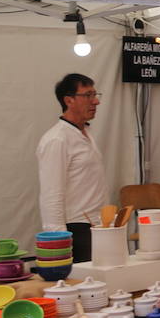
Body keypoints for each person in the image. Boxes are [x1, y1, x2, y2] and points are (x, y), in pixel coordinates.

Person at [37, 73, 108, 263]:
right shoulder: (57, 139)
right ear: (69, 100)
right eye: (88, 95)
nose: (95, 102)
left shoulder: (86, 132)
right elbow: (51, 193)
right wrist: (59, 240)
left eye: (95, 94)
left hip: (97, 224)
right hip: (75, 229)